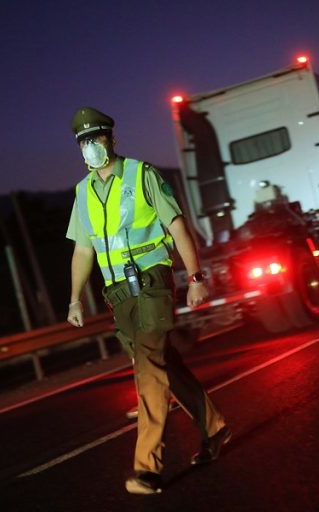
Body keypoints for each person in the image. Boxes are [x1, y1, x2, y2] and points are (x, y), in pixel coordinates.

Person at [65, 106, 231, 495]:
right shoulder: (82, 192)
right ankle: (215, 427)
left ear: (112, 138)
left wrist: (194, 278)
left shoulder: (142, 174)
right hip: (117, 293)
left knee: (149, 370)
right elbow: (82, 252)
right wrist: (74, 299)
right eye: (84, 141)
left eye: (97, 138)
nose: (92, 146)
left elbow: (176, 226)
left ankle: (147, 470)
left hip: (153, 282)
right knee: (164, 365)